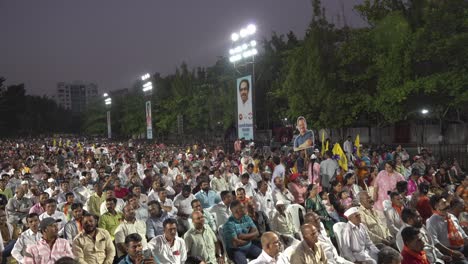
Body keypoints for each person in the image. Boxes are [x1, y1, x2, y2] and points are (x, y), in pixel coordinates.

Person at [426, 194, 468, 260]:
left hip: (461, 247)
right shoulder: (432, 221)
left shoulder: (451, 216)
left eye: (446, 202)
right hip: (449, 253)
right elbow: (435, 242)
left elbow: (461, 232)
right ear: (436, 206)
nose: (448, 204)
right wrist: (452, 252)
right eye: (444, 203)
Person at [223, 200, 261, 264]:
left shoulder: (246, 217)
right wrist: (250, 237)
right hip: (236, 251)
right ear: (237, 211)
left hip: (250, 246)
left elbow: (256, 232)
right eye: (243, 207)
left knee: (265, 257)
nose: (245, 208)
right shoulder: (228, 225)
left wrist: (243, 236)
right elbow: (236, 244)